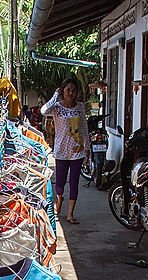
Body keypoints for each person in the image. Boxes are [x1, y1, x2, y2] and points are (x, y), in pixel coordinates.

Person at [41, 76, 90, 224]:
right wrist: (56, 95)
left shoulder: (80, 107)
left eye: (73, 90)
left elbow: (84, 128)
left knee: (74, 181)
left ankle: (70, 214)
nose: (71, 93)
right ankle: (59, 199)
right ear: (63, 91)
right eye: (68, 90)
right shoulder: (56, 107)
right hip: (61, 150)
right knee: (60, 182)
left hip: (77, 150)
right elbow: (44, 111)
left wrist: (87, 148)